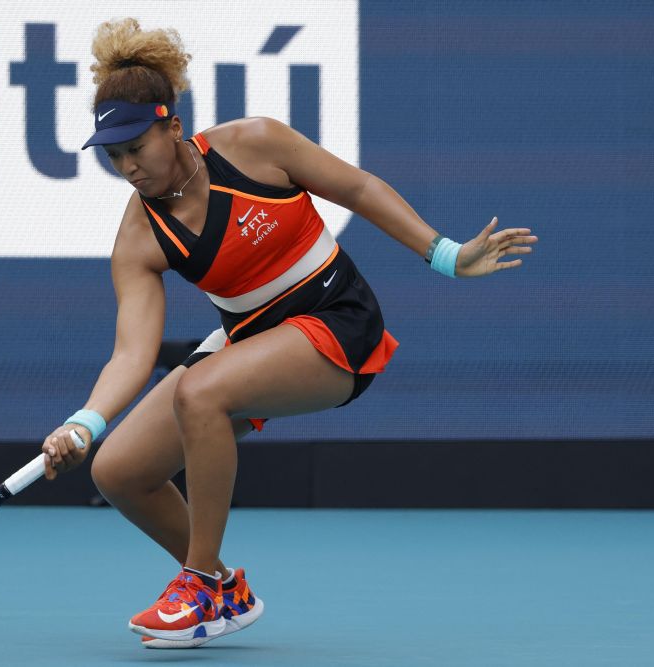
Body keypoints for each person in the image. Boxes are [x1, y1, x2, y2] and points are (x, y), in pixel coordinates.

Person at [39, 18, 537, 649]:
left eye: (137, 146)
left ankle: (195, 582)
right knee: (118, 469)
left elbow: (358, 187)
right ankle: (223, 588)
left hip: (338, 324)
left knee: (200, 391)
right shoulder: (139, 237)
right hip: (252, 342)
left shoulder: (254, 144)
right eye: (114, 156)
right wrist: (84, 423)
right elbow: (132, 353)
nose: (128, 166)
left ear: (173, 126)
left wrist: (445, 254)